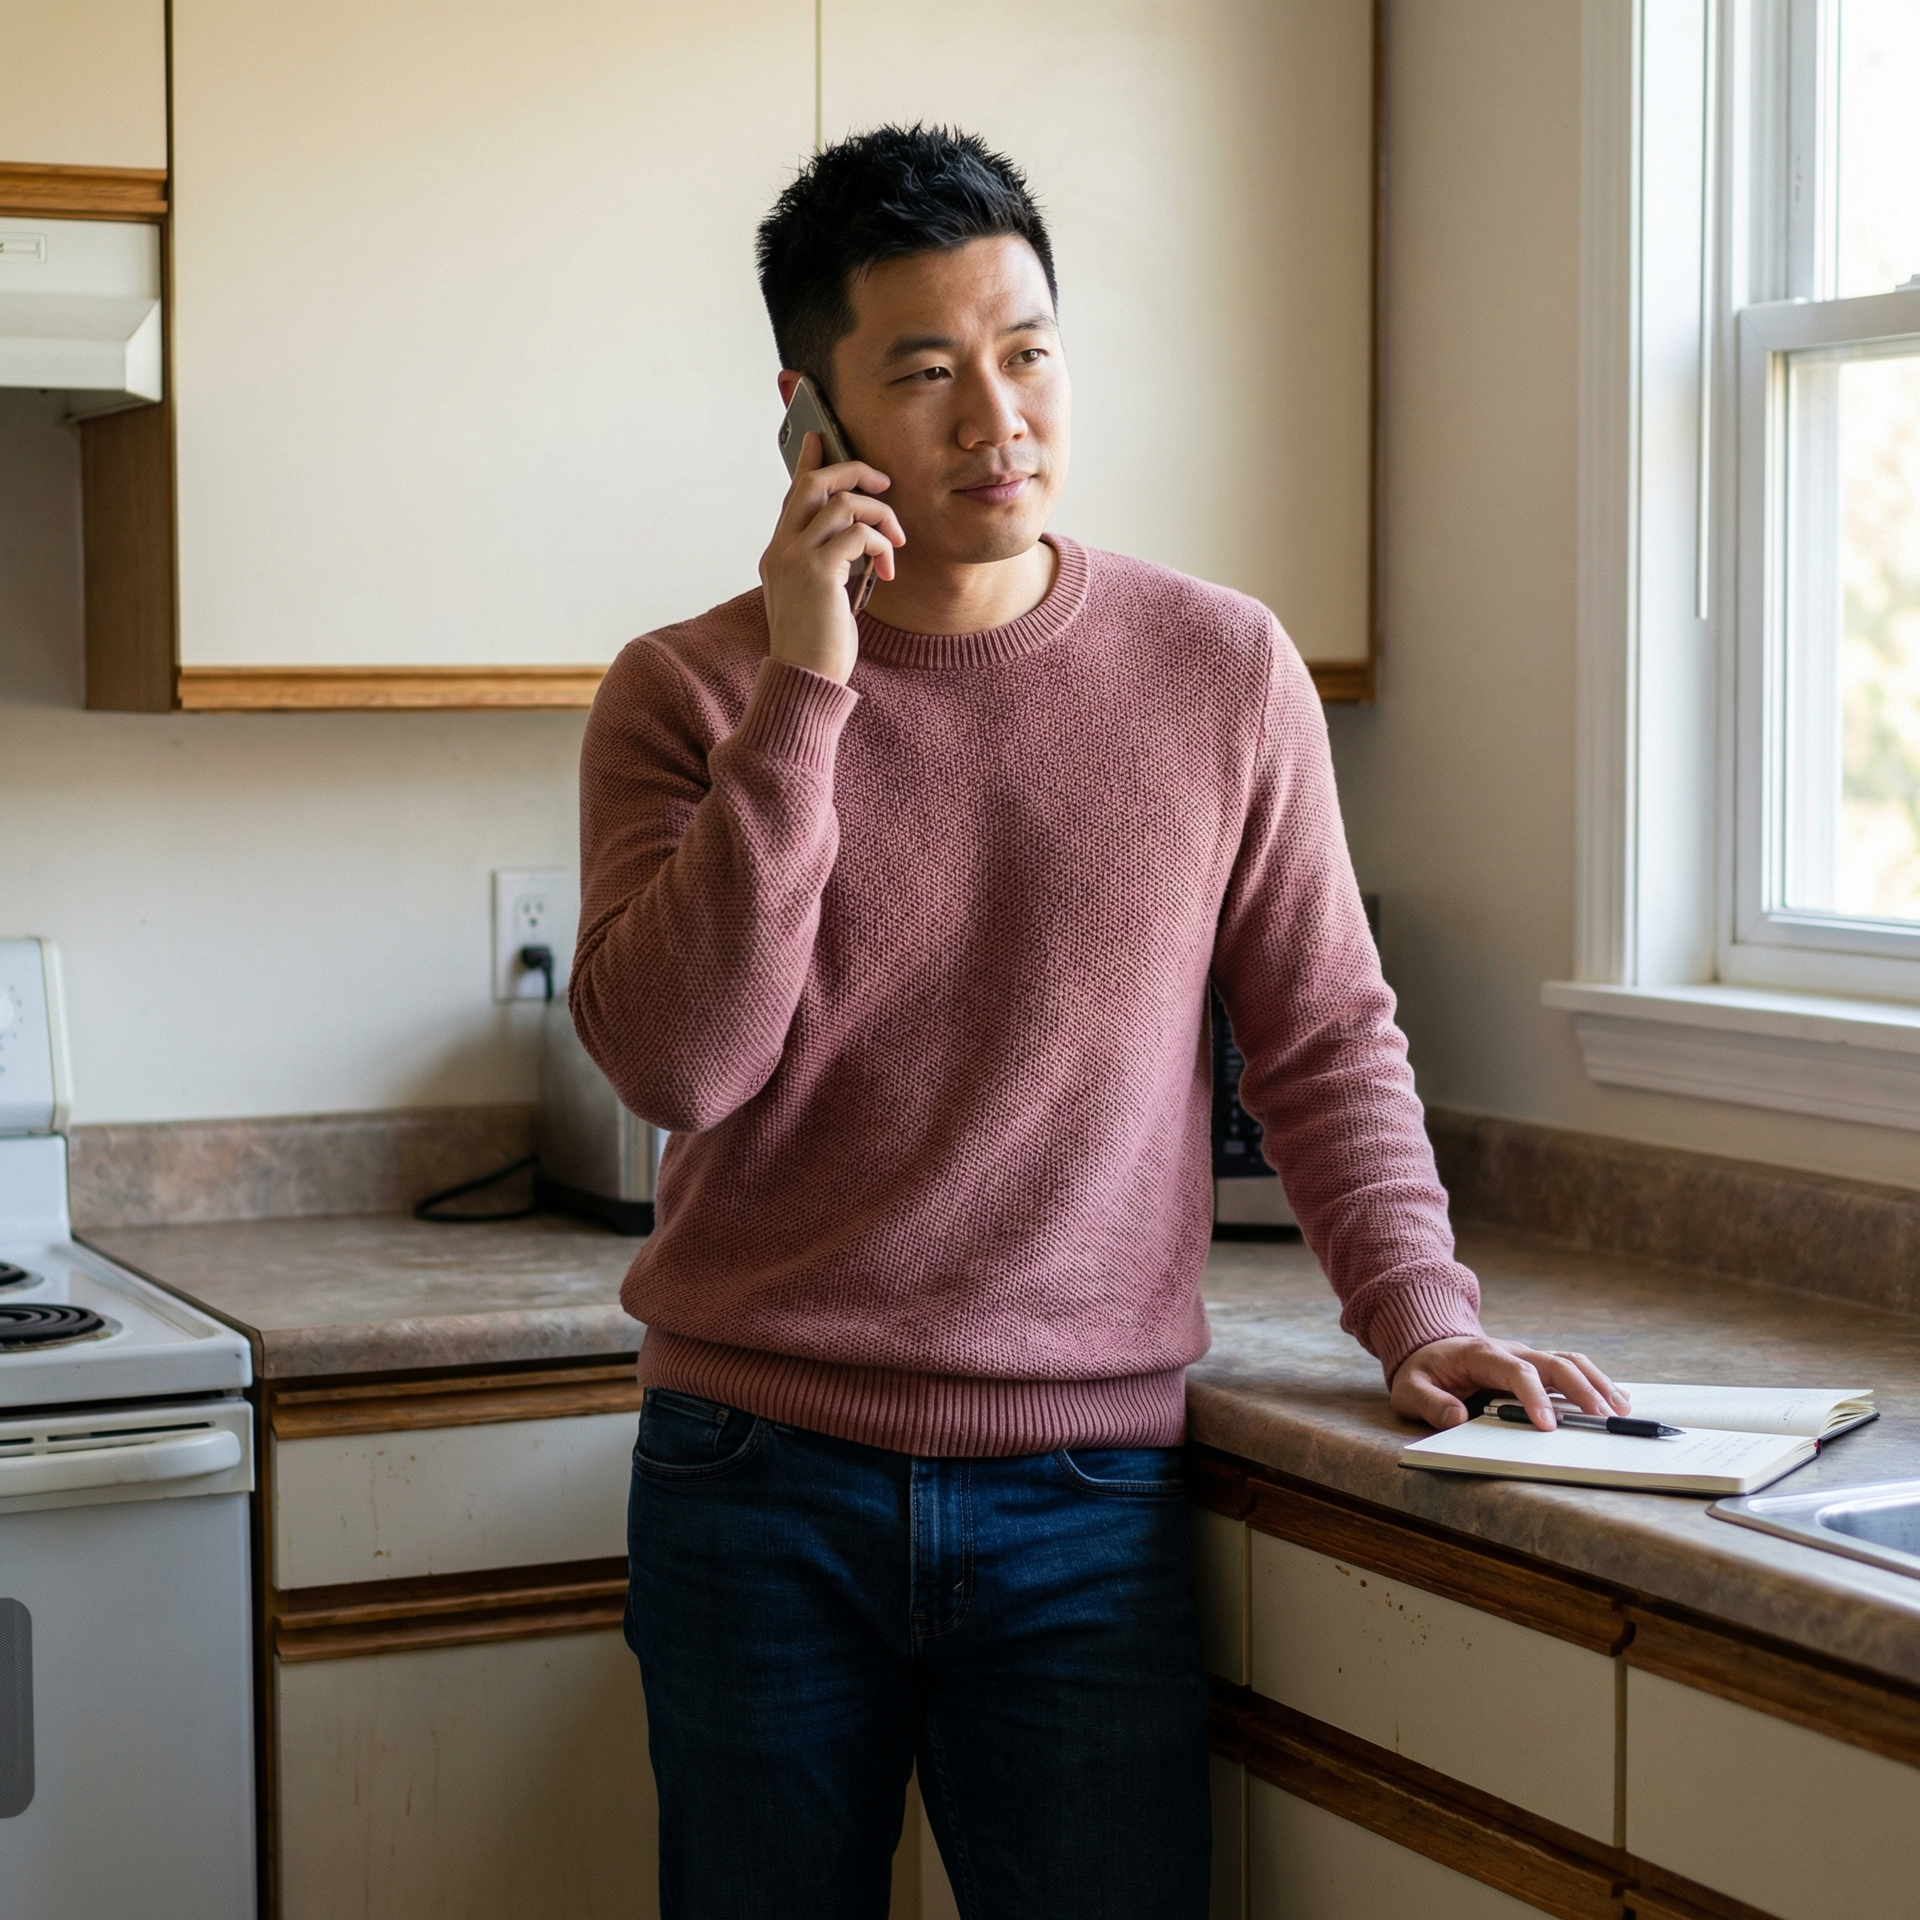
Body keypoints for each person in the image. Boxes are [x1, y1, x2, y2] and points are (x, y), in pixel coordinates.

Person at [570, 124, 1623, 1920]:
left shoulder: (1224, 670)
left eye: (1030, 352)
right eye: (925, 373)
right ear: (810, 418)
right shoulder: (689, 690)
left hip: (1085, 1491)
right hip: (755, 1477)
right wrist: (809, 685)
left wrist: (1421, 1313)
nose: (1000, 421)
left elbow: (1324, 1038)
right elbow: (683, 1062)